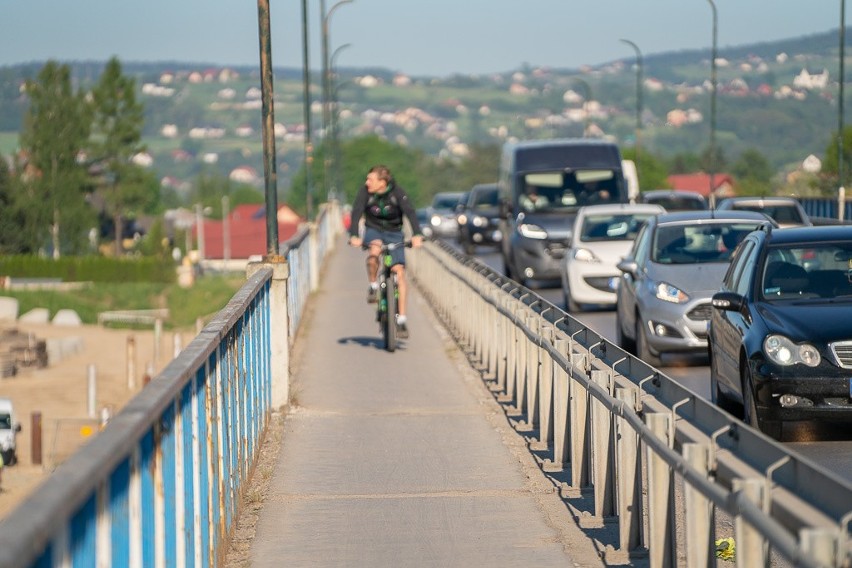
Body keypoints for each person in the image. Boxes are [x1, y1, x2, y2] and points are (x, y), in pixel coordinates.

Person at [348, 165, 424, 339]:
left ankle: (402, 319)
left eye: (371, 180)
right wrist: (353, 235)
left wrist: (417, 235)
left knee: (399, 272)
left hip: (394, 232)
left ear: (382, 182)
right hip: (373, 229)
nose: (367, 183)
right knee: (374, 252)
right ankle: (373, 285)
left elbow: (410, 212)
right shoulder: (365, 193)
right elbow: (357, 211)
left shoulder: (397, 192)